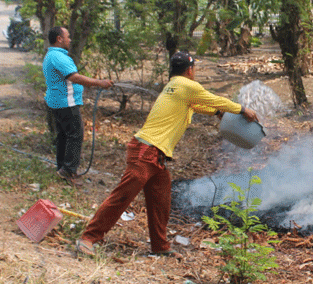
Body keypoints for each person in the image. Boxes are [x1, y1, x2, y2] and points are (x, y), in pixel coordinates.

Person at [76, 51, 258, 257]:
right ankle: (88, 239)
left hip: (155, 155)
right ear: (190, 70)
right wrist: (243, 110)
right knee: (122, 197)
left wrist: (216, 113)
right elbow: (215, 99)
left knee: (161, 200)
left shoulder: (174, 86)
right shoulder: (187, 85)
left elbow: (198, 105)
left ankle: (159, 246)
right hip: (146, 152)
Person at [43, 26, 113, 187]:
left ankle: (62, 168)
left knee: (63, 135)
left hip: (57, 102)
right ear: (59, 39)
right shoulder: (58, 57)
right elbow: (74, 77)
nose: (70, 39)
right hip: (66, 103)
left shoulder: (53, 55)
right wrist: (99, 83)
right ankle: (68, 171)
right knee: (75, 135)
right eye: (67, 36)